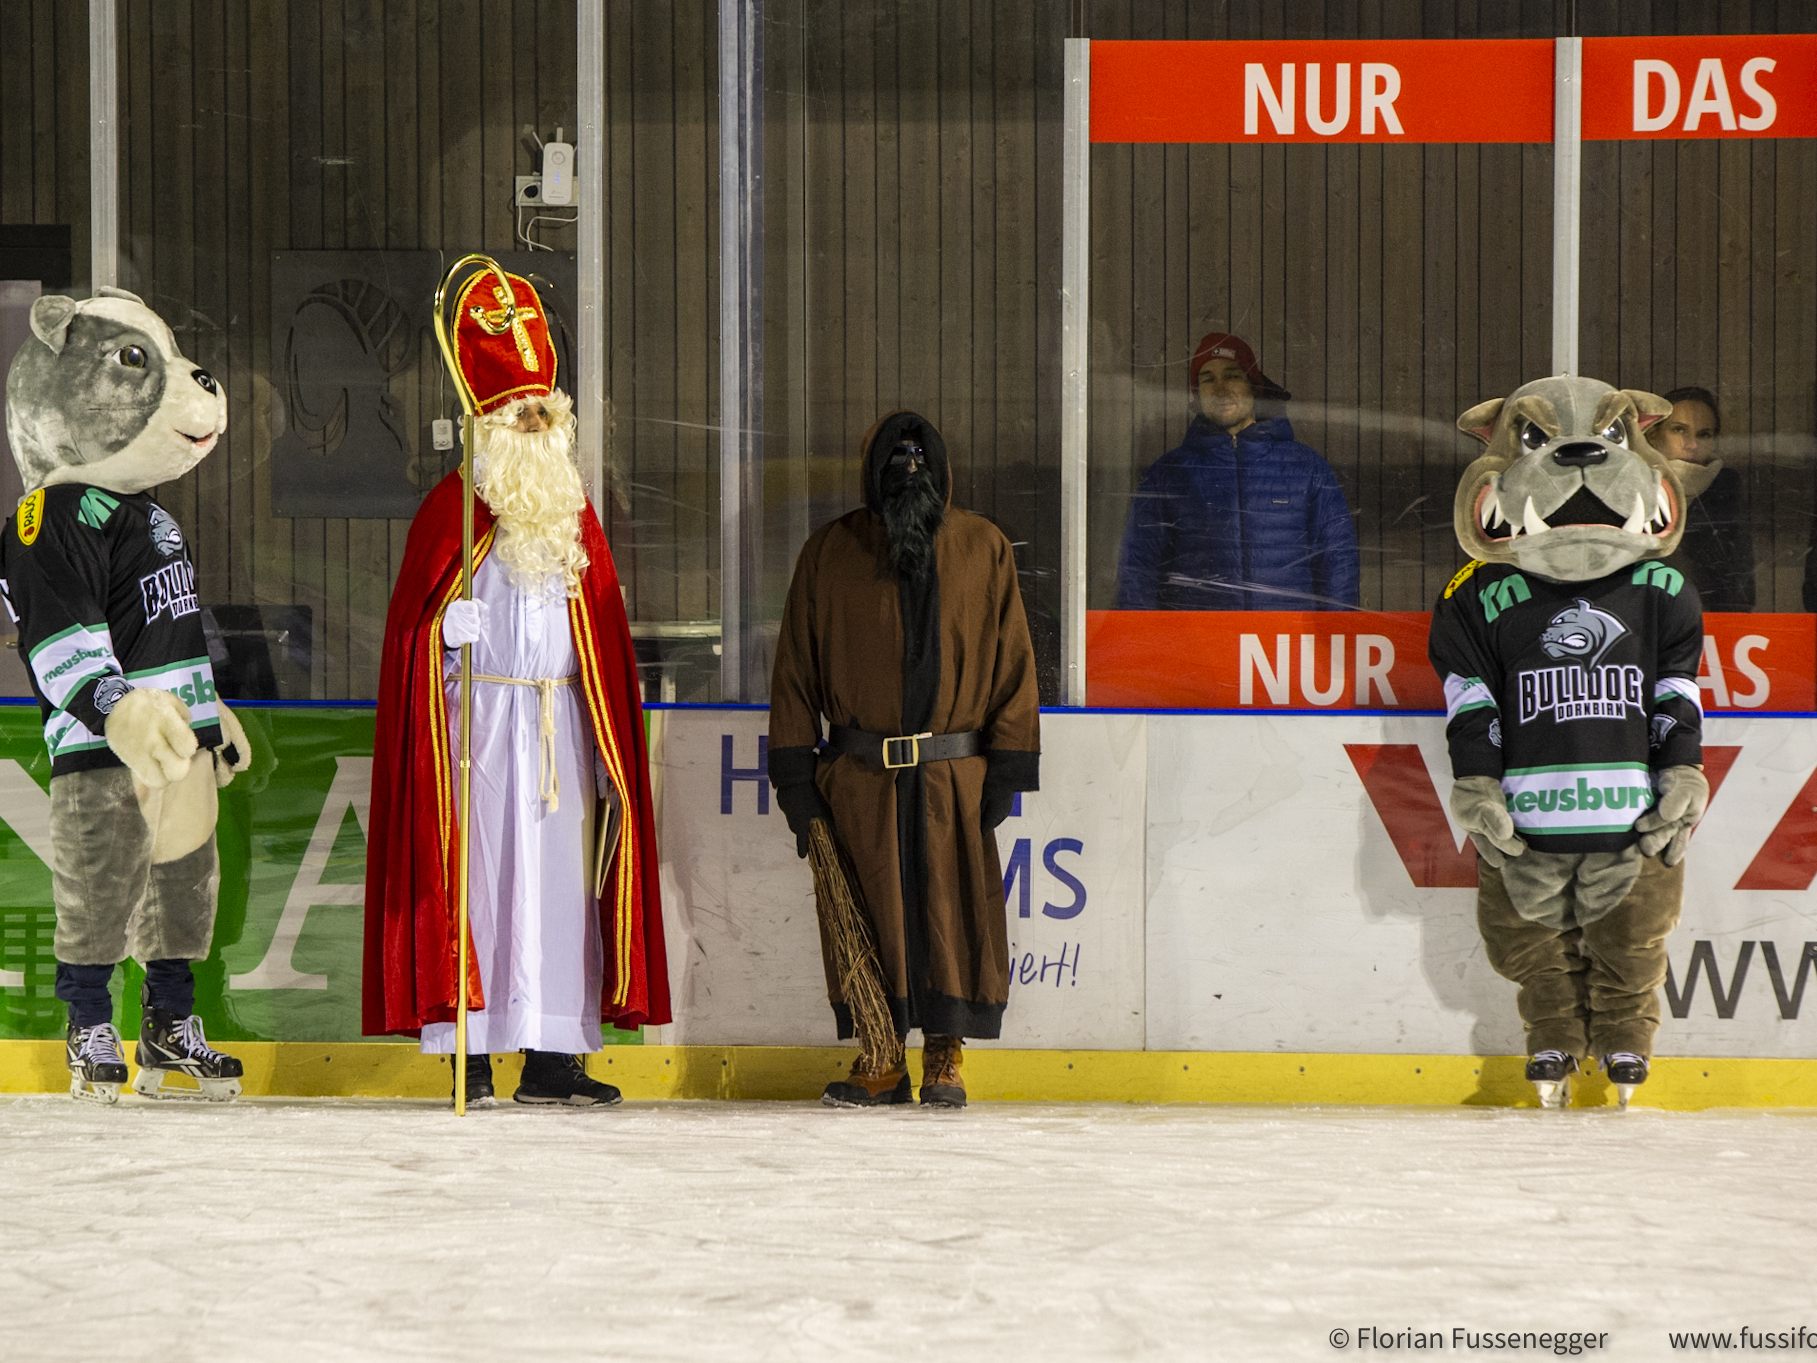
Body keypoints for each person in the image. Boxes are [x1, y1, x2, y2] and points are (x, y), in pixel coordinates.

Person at [362, 268, 667, 1108]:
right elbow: (408, 637)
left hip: (561, 724)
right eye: (519, 414)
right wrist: (437, 637)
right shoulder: (451, 512)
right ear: (487, 426)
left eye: (545, 413)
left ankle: (552, 1054)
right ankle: (470, 1048)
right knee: (484, 886)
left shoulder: (574, 515)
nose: (535, 425)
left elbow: (601, 638)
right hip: (480, 729)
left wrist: (605, 734)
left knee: (560, 890)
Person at [768, 410, 1041, 1109]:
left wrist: (1007, 767)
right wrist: (798, 780)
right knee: (868, 913)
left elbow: (1013, 660)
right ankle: (880, 1056)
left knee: (954, 918)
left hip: (955, 775)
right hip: (860, 778)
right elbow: (795, 673)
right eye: (896, 458)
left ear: (942, 469)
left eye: (920, 458)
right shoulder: (829, 553)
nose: (908, 469)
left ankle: (943, 1058)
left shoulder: (982, 548)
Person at [1116, 331, 1360, 611]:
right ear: (1197, 395)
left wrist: (1335, 640)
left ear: (1253, 386)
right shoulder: (1169, 474)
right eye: (1208, 379)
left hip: (1285, 646)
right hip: (1200, 646)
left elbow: (1339, 563)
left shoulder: (1306, 469)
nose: (1220, 388)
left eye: (1232, 375)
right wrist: (1147, 645)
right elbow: (1138, 567)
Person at [1650, 385, 1754, 611]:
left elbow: (1740, 581)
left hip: (1712, 622)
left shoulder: (1725, 487)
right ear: (1654, 434)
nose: (1692, 444)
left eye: (1704, 434)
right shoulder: (1633, 483)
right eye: (1679, 430)